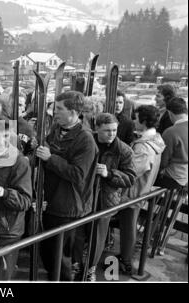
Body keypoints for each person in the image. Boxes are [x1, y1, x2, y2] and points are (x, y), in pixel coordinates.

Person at [36, 91, 98, 281]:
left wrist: (50, 158)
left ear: (73, 112)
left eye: (59, 109)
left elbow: (79, 174)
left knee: (61, 257)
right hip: (52, 200)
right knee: (47, 251)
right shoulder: (57, 128)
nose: (55, 112)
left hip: (68, 205)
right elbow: (49, 148)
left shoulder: (85, 139)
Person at [75, 113, 136, 281]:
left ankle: (90, 270)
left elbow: (130, 178)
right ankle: (77, 264)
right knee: (78, 233)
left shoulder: (123, 150)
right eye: (107, 130)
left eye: (114, 130)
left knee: (97, 237)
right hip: (83, 195)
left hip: (106, 199)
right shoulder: (87, 141)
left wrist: (109, 173)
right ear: (97, 129)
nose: (111, 134)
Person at [117, 105, 165, 275]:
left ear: (143, 122)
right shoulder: (156, 140)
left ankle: (125, 261)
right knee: (129, 225)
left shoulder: (143, 147)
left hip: (132, 193)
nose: (133, 121)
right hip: (142, 189)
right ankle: (125, 256)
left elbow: (131, 172)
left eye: (136, 118)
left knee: (128, 226)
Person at [0, 116, 33, 280]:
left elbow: (25, 201)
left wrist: (2, 192)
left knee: (1, 278)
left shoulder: (19, 162)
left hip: (7, 230)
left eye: (5, 136)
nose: (0, 141)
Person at [155, 97, 188, 190]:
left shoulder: (171, 132)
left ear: (170, 113)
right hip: (185, 178)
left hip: (172, 178)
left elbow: (163, 162)